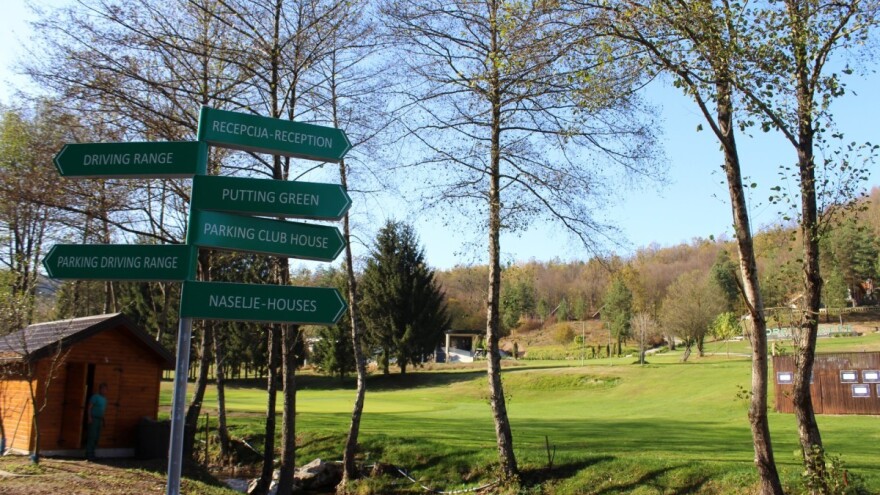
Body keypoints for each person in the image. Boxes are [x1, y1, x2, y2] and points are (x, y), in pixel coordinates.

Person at [85, 383, 108, 461]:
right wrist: (89, 417)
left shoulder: (104, 400)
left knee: (96, 437)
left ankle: (93, 453)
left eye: (105, 389)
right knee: (92, 436)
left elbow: (102, 410)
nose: (104, 390)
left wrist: (104, 420)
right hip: (93, 418)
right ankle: (88, 453)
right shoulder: (95, 397)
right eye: (102, 389)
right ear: (100, 389)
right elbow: (89, 407)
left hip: (100, 419)